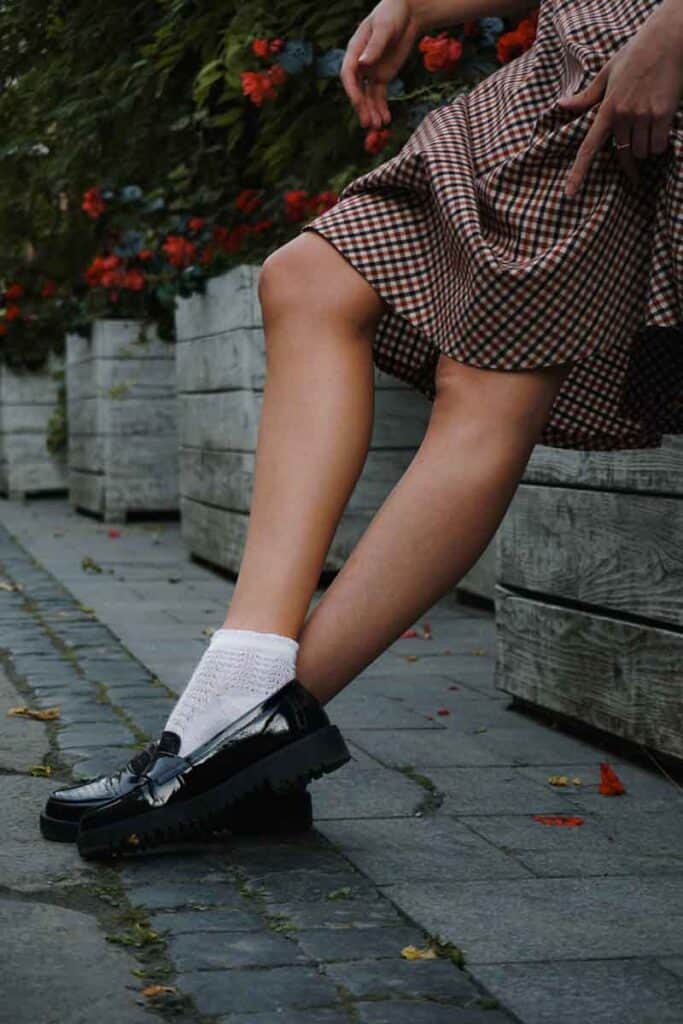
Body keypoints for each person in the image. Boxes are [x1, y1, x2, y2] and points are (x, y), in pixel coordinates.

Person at [42, 0, 682, 858]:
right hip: (559, 62)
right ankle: (244, 718)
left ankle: (233, 740)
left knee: (487, 387)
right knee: (308, 280)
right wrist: (423, 7)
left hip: (627, 64)